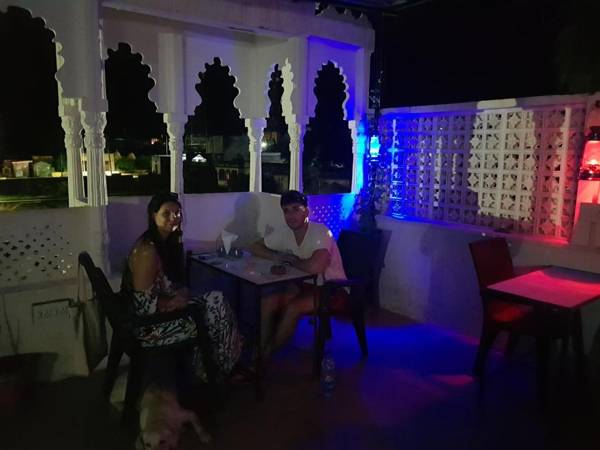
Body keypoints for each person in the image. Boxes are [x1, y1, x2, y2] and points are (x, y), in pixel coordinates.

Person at [121, 192, 242, 382]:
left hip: (160, 317)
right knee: (215, 312)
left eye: (177, 213)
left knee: (216, 300)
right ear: (153, 215)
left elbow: (166, 285)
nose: (174, 218)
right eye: (166, 214)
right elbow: (143, 305)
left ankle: (212, 367)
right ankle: (217, 370)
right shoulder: (147, 251)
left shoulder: (163, 242)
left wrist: (180, 294)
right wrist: (175, 302)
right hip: (150, 329)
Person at [249, 190, 347, 357]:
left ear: (306, 212)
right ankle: (260, 349)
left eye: (296, 209)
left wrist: (291, 260)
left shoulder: (321, 232)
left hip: (332, 288)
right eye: (286, 211)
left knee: (293, 308)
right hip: (304, 284)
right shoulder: (285, 232)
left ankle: (265, 356)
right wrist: (277, 256)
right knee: (267, 301)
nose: (290, 215)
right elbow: (254, 246)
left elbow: (315, 268)